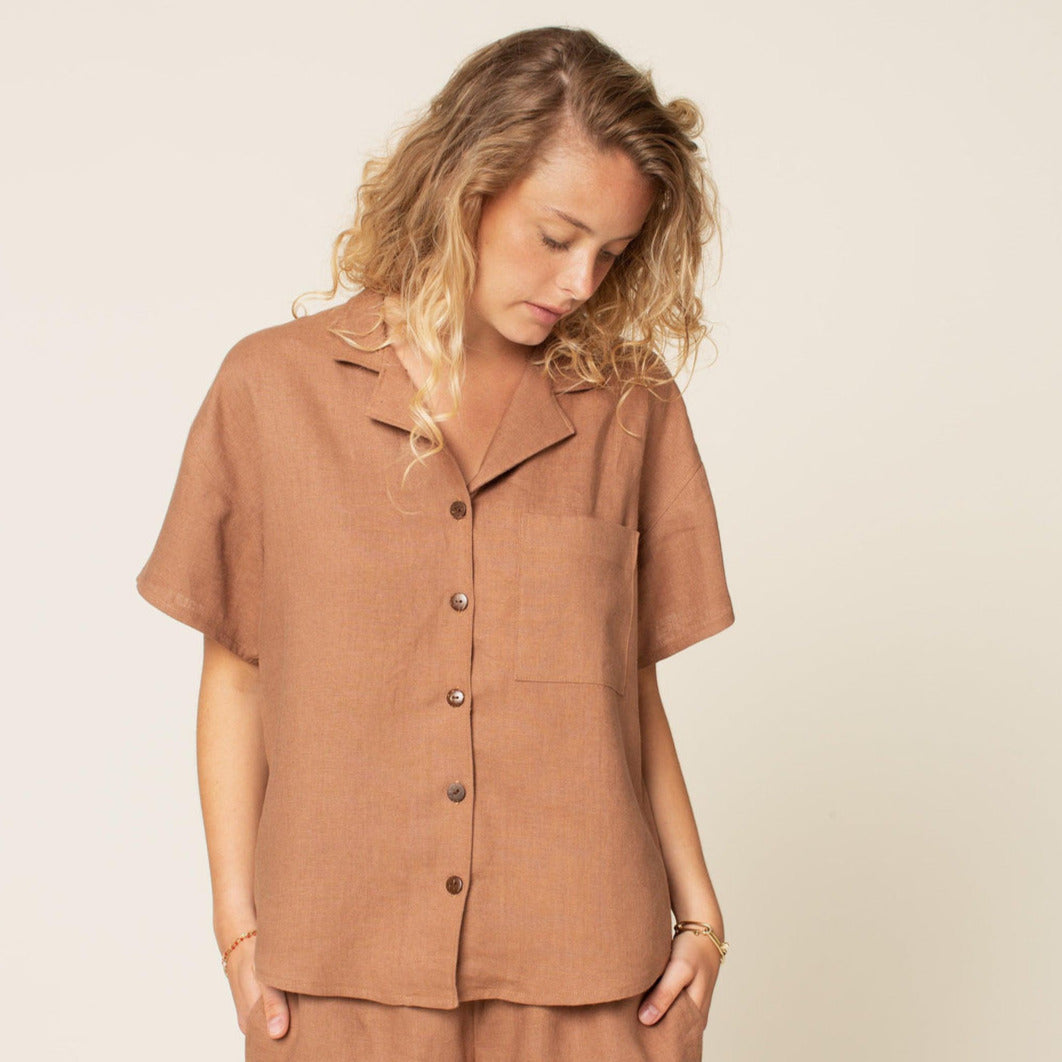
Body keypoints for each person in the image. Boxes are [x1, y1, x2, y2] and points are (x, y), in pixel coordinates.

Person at [136, 25, 736, 1062]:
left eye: (611, 253)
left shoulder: (629, 407)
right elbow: (236, 675)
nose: (581, 282)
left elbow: (626, 687)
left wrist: (702, 917)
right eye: (557, 236)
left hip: (594, 972)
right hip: (338, 973)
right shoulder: (272, 391)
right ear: (467, 187)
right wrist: (238, 931)